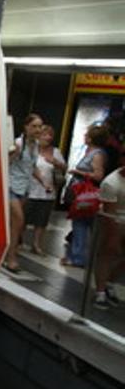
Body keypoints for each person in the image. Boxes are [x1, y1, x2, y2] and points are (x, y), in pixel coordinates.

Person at [64, 124, 110, 268]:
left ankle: (77, 258)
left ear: (91, 138)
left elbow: (98, 175)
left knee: (80, 224)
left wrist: (79, 173)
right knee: (80, 224)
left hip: (85, 195)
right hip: (80, 193)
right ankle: (76, 255)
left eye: (86, 135)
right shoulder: (91, 152)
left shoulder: (96, 155)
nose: (84, 137)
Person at [5, 114, 43, 272]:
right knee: (19, 221)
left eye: (40, 126)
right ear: (26, 127)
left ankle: (7, 252)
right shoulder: (18, 143)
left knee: (13, 224)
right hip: (11, 186)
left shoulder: (36, 145)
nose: (38, 130)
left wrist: (43, 181)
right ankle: (11, 258)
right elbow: (4, 161)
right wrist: (14, 153)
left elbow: (32, 166)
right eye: (34, 126)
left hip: (24, 189)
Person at [25, 124, 65, 255]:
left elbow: (64, 167)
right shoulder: (31, 149)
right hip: (29, 190)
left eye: (50, 135)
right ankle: (18, 241)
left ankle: (36, 245)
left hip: (48, 192)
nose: (48, 138)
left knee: (42, 221)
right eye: (44, 134)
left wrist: (55, 162)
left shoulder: (55, 152)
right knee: (23, 217)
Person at [93, 162, 124, 309]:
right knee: (108, 252)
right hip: (113, 219)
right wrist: (114, 239)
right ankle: (100, 292)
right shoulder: (111, 183)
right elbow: (109, 215)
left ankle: (109, 283)